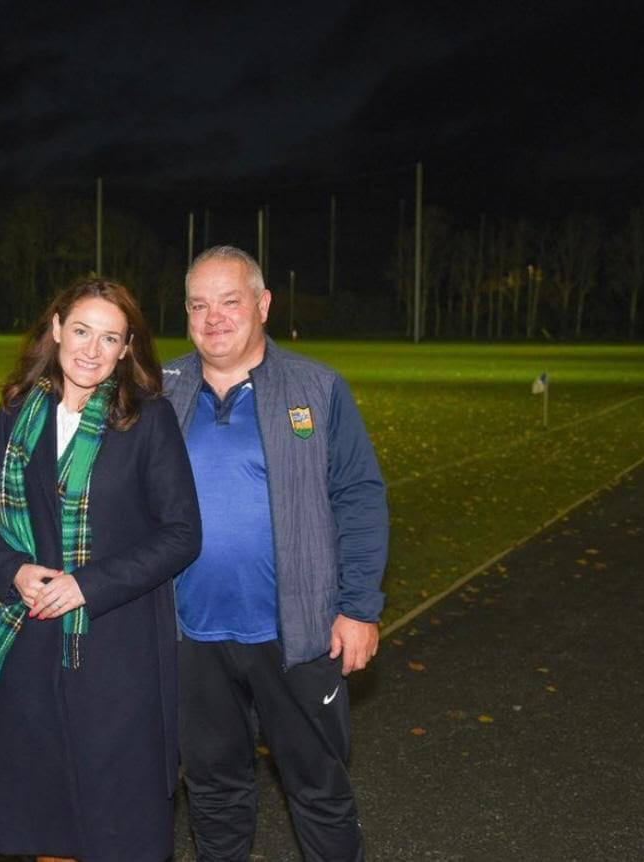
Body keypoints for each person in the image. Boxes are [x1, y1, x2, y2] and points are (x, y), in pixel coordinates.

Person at [162, 246, 388, 861]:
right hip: (190, 636)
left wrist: (360, 606)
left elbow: (360, 497)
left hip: (298, 635)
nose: (214, 318)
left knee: (318, 788)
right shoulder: (159, 391)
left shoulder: (316, 387)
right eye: (198, 305)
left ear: (262, 304)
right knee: (213, 791)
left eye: (230, 302)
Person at [0, 277, 202, 862]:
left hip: (117, 650)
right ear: (55, 329)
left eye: (110, 337)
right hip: (30, 643)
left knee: (115, 820)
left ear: (127, 349)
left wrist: (86, 586)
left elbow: (182, 534)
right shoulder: (17, 411)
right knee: (44, 814)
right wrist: (14, 571)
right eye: (81, 331)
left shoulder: (149, 419)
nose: (92, 350)